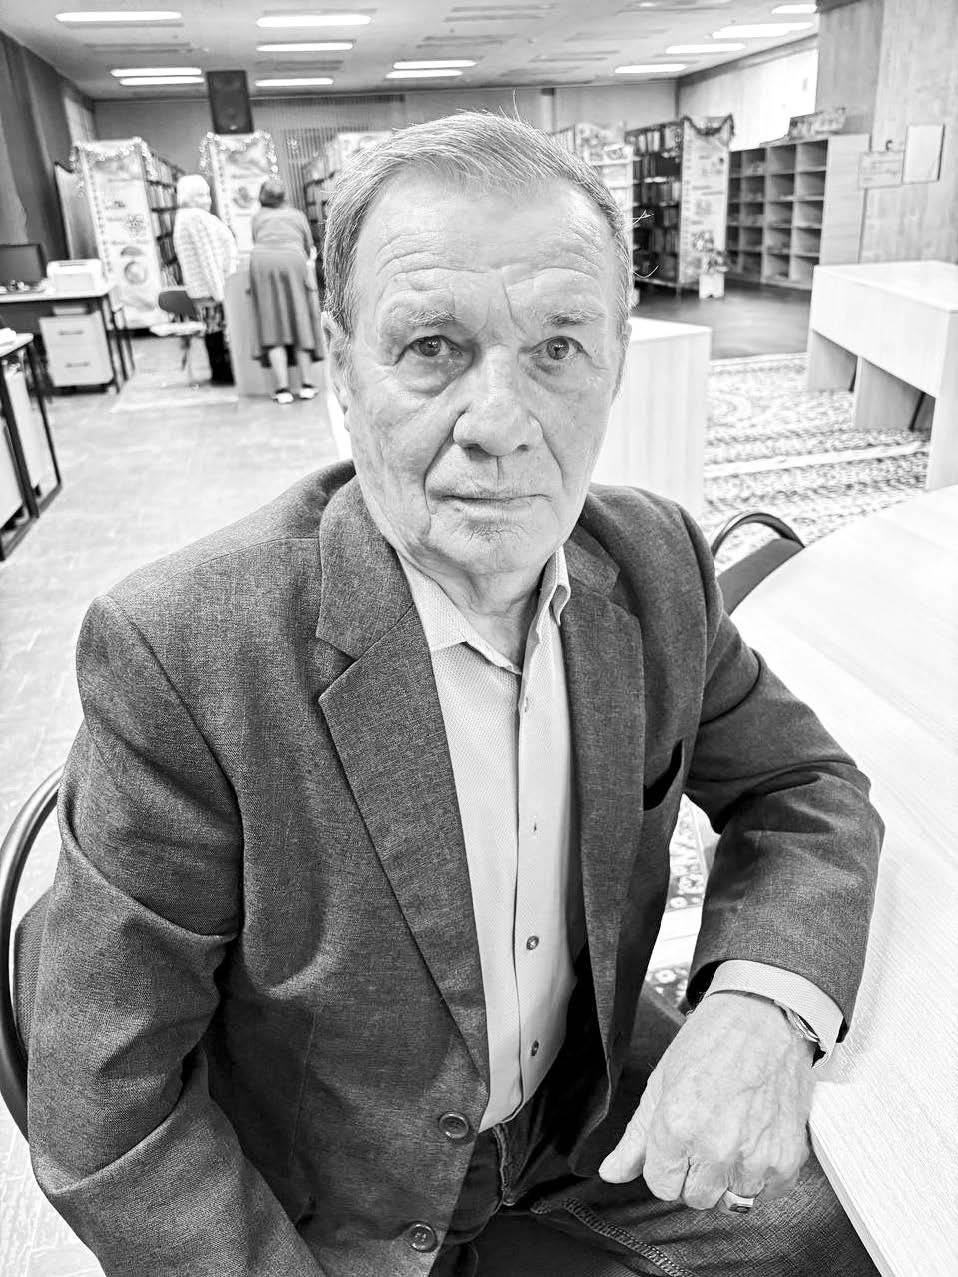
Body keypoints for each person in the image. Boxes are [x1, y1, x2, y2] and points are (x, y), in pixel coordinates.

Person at [27, 113, 884, 1277]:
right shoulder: (188, 651)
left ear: (615, 360)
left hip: (586, 1117)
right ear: (342, 367)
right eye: (432, 346)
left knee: (848, 1234)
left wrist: (762, 1005)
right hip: (324, 1192)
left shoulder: (654, 564)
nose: (499, 425)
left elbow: (804, 782)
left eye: (557, 347)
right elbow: (104, 1098)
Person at [249, 176, 325, 405]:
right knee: (300, 320)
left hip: (262, 263)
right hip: (294, 260)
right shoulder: (297, 215)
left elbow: (255, 240)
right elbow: (308, 247)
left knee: (271, 323)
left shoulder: (258, 217)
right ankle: (307, 385)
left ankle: (282, 389)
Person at [171, 173, 239, 386]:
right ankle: (222, 373)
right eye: (201, 195)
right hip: (211, 289)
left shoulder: (185, 217)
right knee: (216, 331)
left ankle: (221, 371)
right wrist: (220, 293)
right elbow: (208, 258)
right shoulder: (195, 218)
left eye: (207, 194)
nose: (207, 200)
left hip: (204, 289)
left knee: (213, 330)